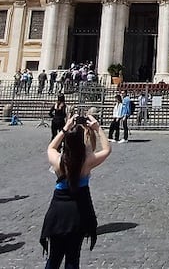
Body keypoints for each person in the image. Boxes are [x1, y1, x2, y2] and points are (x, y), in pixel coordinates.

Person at [41, 112, 111, 269]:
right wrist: (97, 128)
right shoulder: (87, 162)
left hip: (58, 212)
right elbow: (107, 149)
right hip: (78, 213)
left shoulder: (59, 161)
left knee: (54, 257)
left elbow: (51, 146)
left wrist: (66, 128)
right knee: (73, 258)